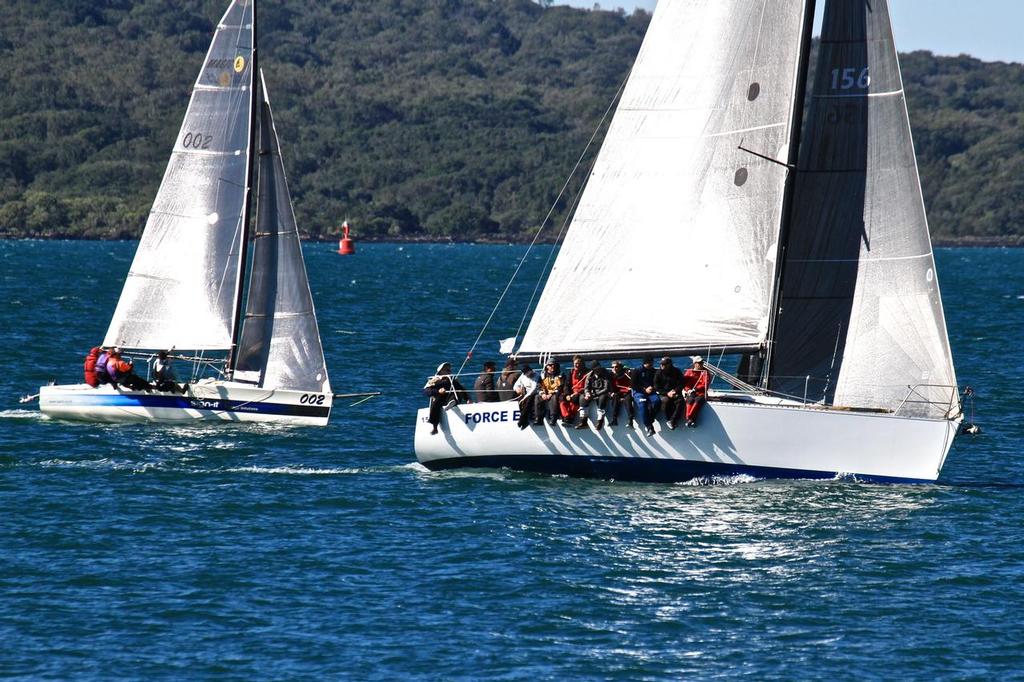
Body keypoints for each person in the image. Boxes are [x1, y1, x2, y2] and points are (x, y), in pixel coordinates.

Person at [424, 362, 469, 435]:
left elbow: (461, 389)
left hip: (449, 398)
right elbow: (426, 391)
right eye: (447, 370)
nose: (449, 372)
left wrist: (467, 399)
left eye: (449, 370)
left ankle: (452, 402)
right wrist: (438, 391)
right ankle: (435, 427)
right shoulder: (434, 380)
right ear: (441, 371)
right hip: (440, 398)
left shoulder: (452, 380)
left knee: (456, 392)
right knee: (435, 401)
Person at [631, 354, 661, 436]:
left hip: (651, 391)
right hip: (639, 392)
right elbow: (633, 385)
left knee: (657, 401)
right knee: (643, 405)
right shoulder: (636, 371)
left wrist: (653, 388)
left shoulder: (654, 371)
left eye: (652, 362)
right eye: (650, 362)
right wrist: (644, 390)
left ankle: (650, 420)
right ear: (645, 362)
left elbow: (657, 383)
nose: (651, 364)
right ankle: (649, 427)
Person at [579, 359, 612, 430]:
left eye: (598, 368)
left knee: (602, 398)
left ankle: (600, 420)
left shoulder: (605, 374)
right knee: (582, 397)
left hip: (602, 392)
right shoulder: (590, 375)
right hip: (593, 393)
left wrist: (595, 394)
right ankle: (583, 420)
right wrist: (587, 393)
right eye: (596, 369)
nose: (598, 370)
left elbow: (606, 388)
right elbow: (586, 387)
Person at [654, 356, 686, 429]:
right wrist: (667, 393)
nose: (661, 365)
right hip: (664, 393)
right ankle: (668, 418)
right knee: (665, 401)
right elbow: (657, 387)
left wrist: (675, 391)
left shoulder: (677, 371)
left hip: (675, 392)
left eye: (664, 364)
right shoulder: (658, 373)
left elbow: (681, 383)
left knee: (680, 401)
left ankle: (672, 420)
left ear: (669, 365)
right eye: (661, 364)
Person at [682, 355, 710, 428]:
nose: (701, 364)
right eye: (699, 363)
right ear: (695, 363)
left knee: (698, 400)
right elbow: (685, 383)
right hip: (691, 392)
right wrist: (688, 390)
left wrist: (695, 389)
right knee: (690, 400)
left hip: (701, 392)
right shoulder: (689, 372)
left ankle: (689, 417)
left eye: (702, 362)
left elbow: (705, 384)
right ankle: (690, 419)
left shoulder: (705, 372)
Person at [560, 355, 587, 426]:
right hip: (572, 391)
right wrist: (567, 394)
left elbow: (587, 386)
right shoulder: (571, 372)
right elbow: (567, 384)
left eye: (579, 363)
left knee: (575, 400)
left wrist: (577, 393)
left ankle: (571, 417)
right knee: (562, 398)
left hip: (581, 392)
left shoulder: (587, 372)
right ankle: (566, 416)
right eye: (575, 363)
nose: (577, 365)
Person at [608, 360, 634, 427]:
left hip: (626, 391)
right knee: (615, 398)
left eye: (616, 367)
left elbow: (632, 382)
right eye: (613, 367)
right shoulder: (611, 374)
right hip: (618, 392)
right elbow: (610, 385)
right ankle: (614, 419)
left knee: (628, 400)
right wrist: (611, 392)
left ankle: (630, 420)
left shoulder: (626, 373)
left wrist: (630, 388)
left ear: (620, 367)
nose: (614, 369)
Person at [512, 365, 539, 429]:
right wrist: (517, 389)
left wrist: (524, 398)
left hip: (534, 393)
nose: (526, 375)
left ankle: (522, 419)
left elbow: (533, 389)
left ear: (530, 371)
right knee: (520, 401)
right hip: (525, 393)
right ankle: (525, 420)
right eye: (525, 374)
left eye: (527, 373)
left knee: (528, 401)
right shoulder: (523, 375)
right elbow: (515, 385)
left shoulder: (536, 376)